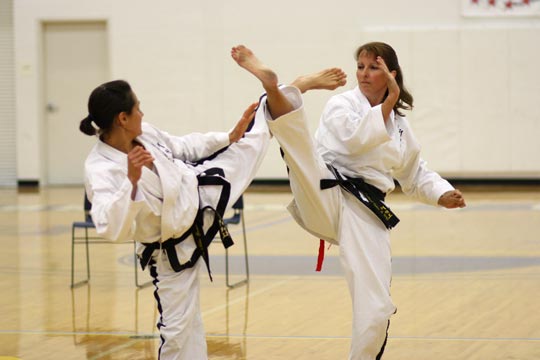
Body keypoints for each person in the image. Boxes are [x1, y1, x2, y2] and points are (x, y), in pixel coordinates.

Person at [79, 70, 346, 359]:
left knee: (252, 138)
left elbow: (182, 146)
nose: (142, 113)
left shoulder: (144, 134)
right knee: (180, 332)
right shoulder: (100, 169)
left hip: (201, 191)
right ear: (122, 118)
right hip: (170, 252)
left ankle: (296, 86)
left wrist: (229, 136)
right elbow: (109, 228)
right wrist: (130, 183)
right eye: (138, 108)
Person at [231, 43, 466, 360]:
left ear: (391, 74)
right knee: (298, 145)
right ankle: (280, 86)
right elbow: (354, 141)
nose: (364, 74)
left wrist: (441, 193)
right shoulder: (341, 104)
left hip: (365, 209)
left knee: (377, 307)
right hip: (325, 185)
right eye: (360, 66)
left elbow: (414, 173)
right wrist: (390, 101)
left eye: (373, 67)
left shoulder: (400, 127)